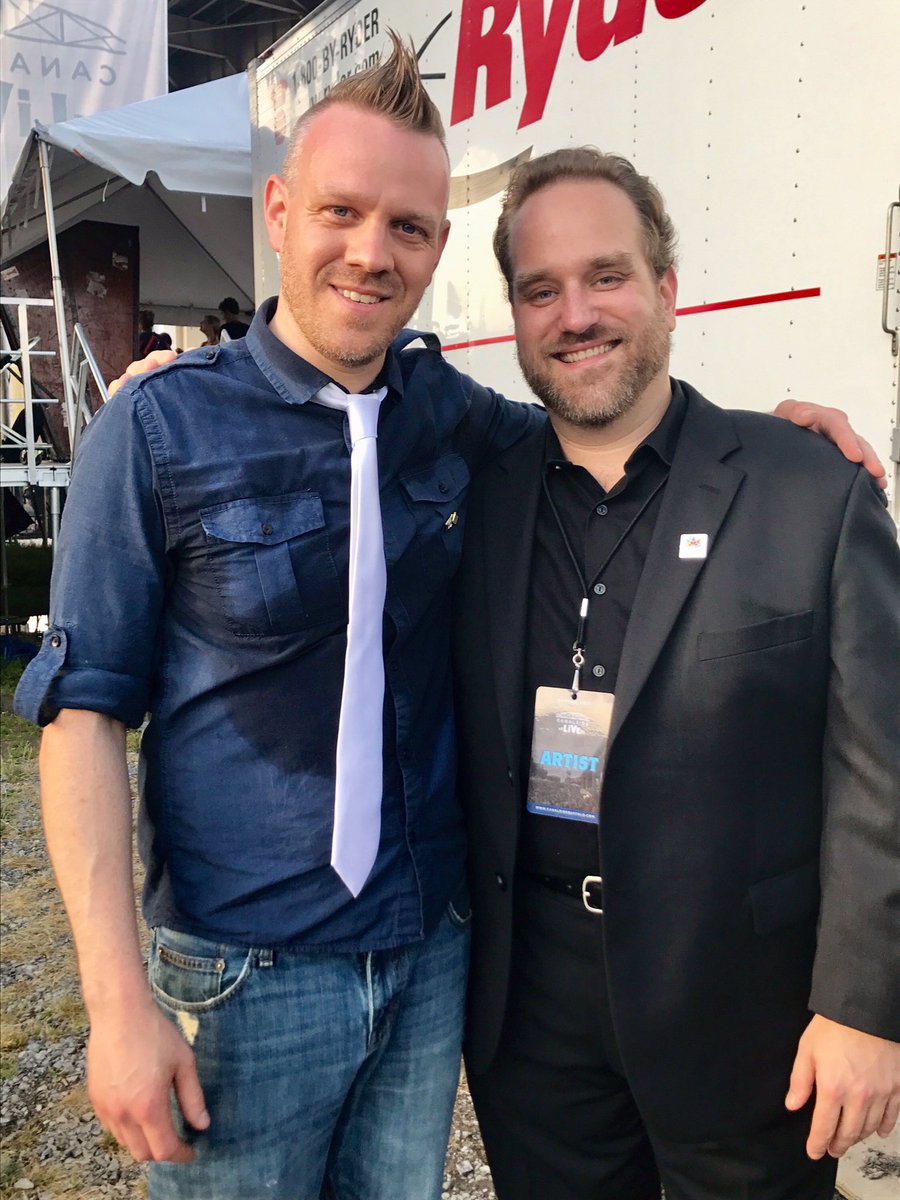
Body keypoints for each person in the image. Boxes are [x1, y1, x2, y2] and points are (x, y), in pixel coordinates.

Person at [15, 37, 884, 1200]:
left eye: (410, 227)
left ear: (436, 251)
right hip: (242, 982)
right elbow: (81, 716)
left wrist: (777, 449)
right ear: (279, 212)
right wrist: (116, 1003)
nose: (371, 252)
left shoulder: (456, 420)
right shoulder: (160, 429)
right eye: (341, 211)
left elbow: (617, 420)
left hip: (431, 968)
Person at [452, 147, 900, 1200]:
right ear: (515, 315)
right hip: (534, 1022)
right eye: (541, 290)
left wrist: (867, 1005)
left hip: (747, 1015)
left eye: (606, 276)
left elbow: (882, 768)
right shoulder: (478, 498)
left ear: (667, 288)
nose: (576, 315)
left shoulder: (808, 490)